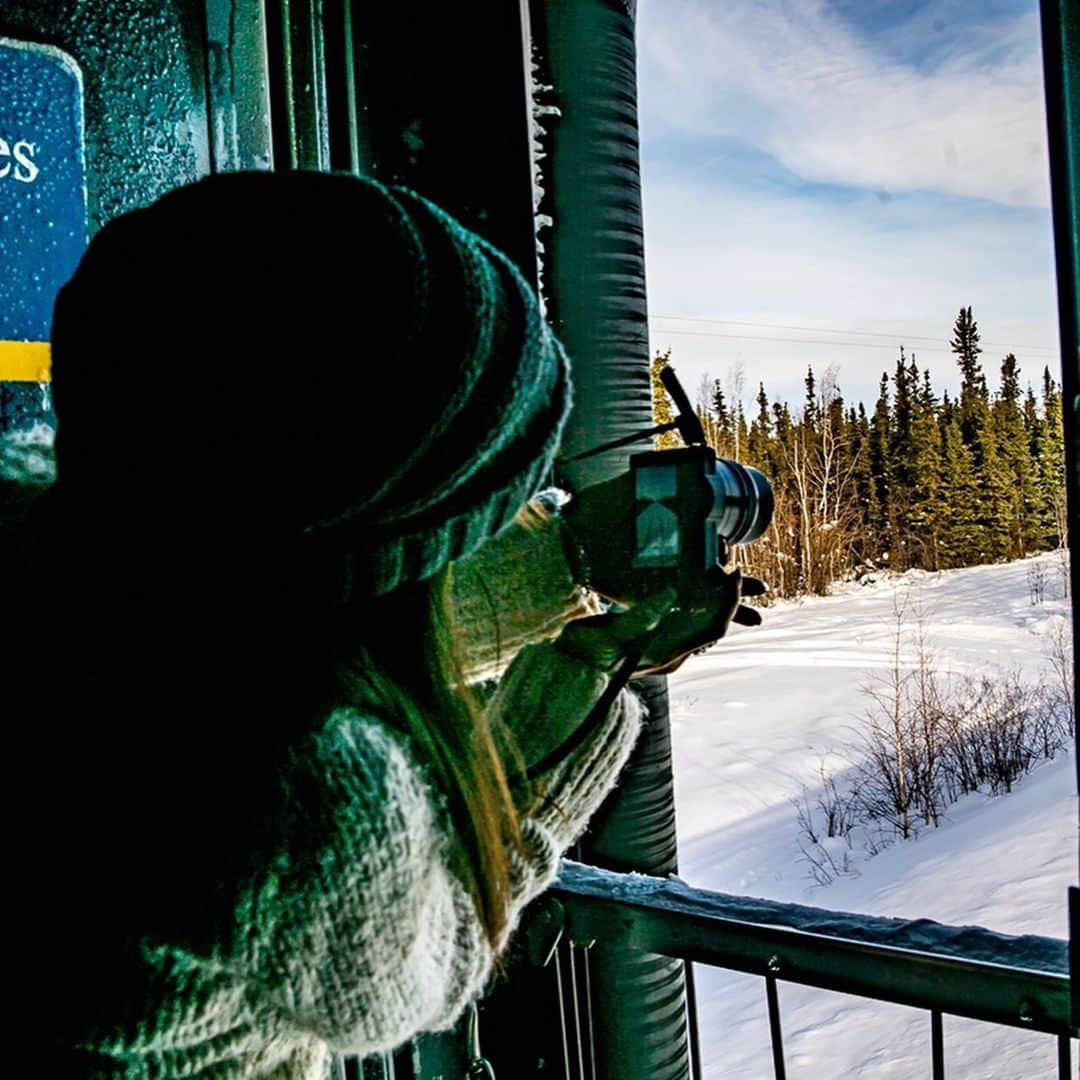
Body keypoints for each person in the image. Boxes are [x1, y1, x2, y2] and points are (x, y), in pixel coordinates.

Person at [0, 171, 760, 1077]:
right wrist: (587, 671)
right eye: (479, 520)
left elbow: (280, 605)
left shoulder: (43, 520)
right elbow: (425, 963)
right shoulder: (297, 793)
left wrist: (565, 563)